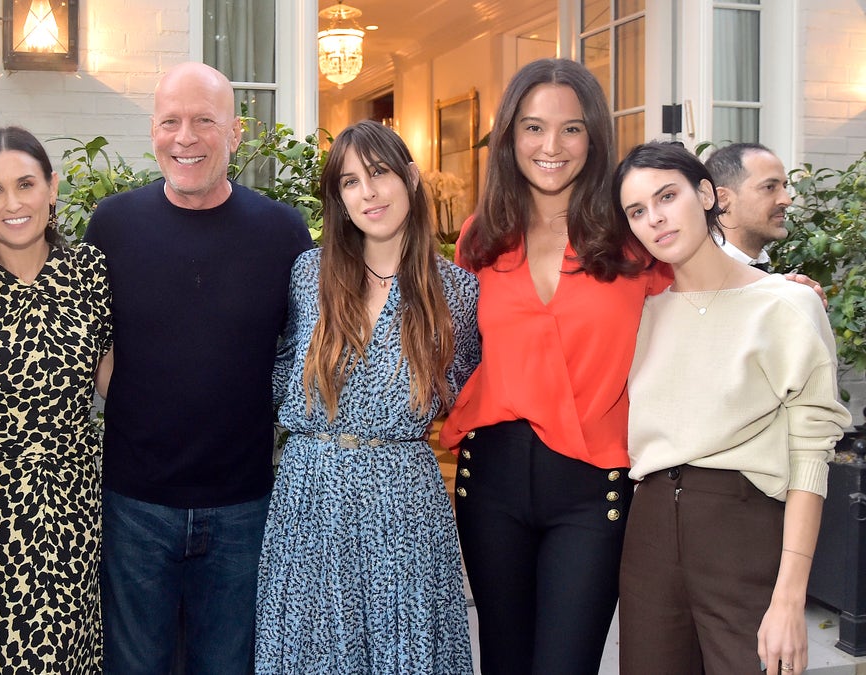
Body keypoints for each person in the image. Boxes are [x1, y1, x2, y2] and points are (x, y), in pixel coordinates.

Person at [441, 58, 671, 674]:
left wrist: (771, 290)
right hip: (490, 478)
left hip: (592, 486)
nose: (551, 146)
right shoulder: (481, 236)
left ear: (594, 138)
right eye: (533, 127)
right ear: (510, 136)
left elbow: (704, 289)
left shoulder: (633, 236)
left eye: (570, 129)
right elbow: (454, 346)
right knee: (505, 663)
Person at [83, 62, 312, 674]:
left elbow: (307, 350)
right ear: (153, 131)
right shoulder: (111, 225)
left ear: (234, 133)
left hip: (244, 506)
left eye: (204, 121)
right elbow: (90, 343)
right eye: (170, 121)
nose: (185, 137)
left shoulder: (283, 232)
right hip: (135, 504)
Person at [615, 141, 850, 675]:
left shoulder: (788, 304)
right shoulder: (639, 312)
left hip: (743, 527)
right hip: (649, 529)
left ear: (705, 195)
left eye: (667, 196)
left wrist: (790, 598)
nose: (655, 219)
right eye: (636, 211)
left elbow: (811, 454)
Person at [255, 120, 479, 674]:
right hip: (310, 498)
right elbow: (278, 372)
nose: (368, 193)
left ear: (410, 176)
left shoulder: (457, 290)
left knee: (406, 654)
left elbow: (471, 390)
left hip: (405, 503)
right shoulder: (308, 275)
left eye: (378, 173)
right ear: (338, 199)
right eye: (350, 182)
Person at [0, 127, 112, 673]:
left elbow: (121, 383)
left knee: (70, 653)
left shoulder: (90, 275)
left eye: (26, 184)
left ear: (52, 188)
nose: (12, 204)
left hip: (77, 509)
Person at [705, 142, 793, 267]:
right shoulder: (702, 276)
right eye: (769, 187)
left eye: (784, 186)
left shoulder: (758, 267)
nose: (787, 200)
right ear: (722, 198)